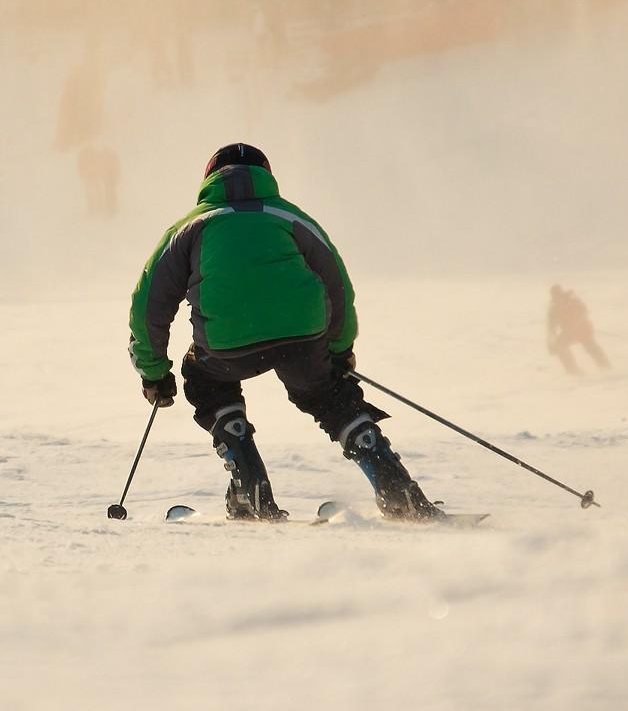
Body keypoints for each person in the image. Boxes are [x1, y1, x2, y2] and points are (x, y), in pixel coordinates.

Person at [127, 143, 443, 522]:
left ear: (209, 177)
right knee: (330, 396)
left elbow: (149, 304)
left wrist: (154, 372)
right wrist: (339, 351)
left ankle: (249, 488)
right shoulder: (291, 217)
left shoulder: (191, 226)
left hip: (226, 344)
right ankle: (397, 491)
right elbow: (337, 284)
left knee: (205, 379)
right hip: (303, 336)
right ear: (267, 174)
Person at [546, 284, 609, 374]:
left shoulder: (574, 302)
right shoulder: (553, 309)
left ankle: (605, 366)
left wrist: (573, 325)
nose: (558, 300)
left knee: (590, 347)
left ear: (562, 294)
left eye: (559, 296)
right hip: (568, 332)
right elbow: (551, 328)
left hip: (583, 330)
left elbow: (583, 313)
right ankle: (573, 370)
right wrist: (551, 342)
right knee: (560, 345)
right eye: (555, 298)